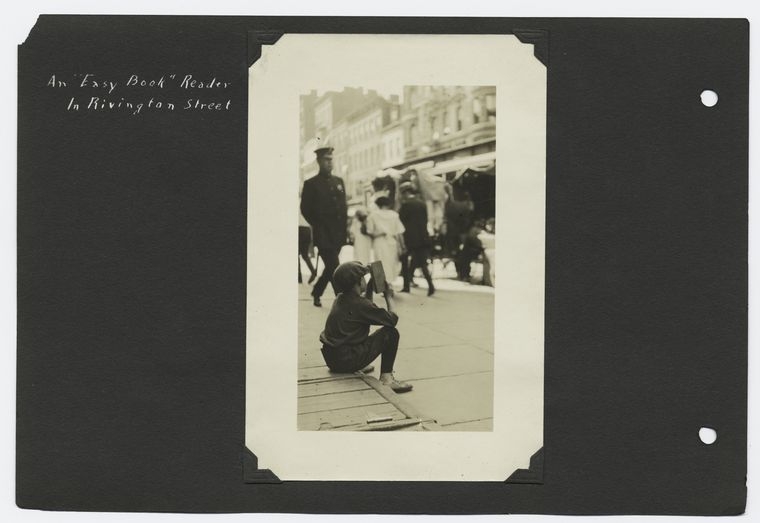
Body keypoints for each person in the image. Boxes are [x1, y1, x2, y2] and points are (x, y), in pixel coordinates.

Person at [319, 261, 413, 393]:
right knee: (391, 333)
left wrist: (369, 289)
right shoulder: (360, 304)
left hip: (333, 360)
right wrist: (388, 296)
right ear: (358, 282)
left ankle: (358, 364)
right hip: (347, 361)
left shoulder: (341, 298)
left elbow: (365, 309)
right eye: (363, 278)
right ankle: (387, 379)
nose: (365, 279)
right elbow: (392, 320)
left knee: (359, 330)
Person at [300, 145, 348, 307]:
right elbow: (305, 210)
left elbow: (343, 207)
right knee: (335, 267)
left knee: (330, 268)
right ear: (319, 161)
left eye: (331, 160)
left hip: (338, 234)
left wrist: (345, 230)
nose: (329, 163)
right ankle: (342, 301)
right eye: (326, 160)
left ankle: (317, 292)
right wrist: (317, 224)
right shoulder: (311, 184)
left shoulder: (339, 182)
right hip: (323, 234)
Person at [398, 183, 435, 296]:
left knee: (405, 261)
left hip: (409, 238)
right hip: (423, 237)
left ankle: (406, 286)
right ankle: (430, 285)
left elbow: (400, 222)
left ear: (405, 193)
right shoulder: (422, 203)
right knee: (422, 262)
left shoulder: (405, 205)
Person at [365, 196, 405, 287]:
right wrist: (402, 245)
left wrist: (379, 233)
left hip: (379, 242)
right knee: (390, 263)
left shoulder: (373, 215)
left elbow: (369, 231)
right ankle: (389, 284)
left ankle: (383, 286)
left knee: (380, 263)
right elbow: (399, 232)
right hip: (392, 242)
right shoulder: (394, 215)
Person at [298, 211, 317, 284]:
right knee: (304, 255)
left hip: (300, 229)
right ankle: (313, 272)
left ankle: (299, 278)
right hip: (307, 229)